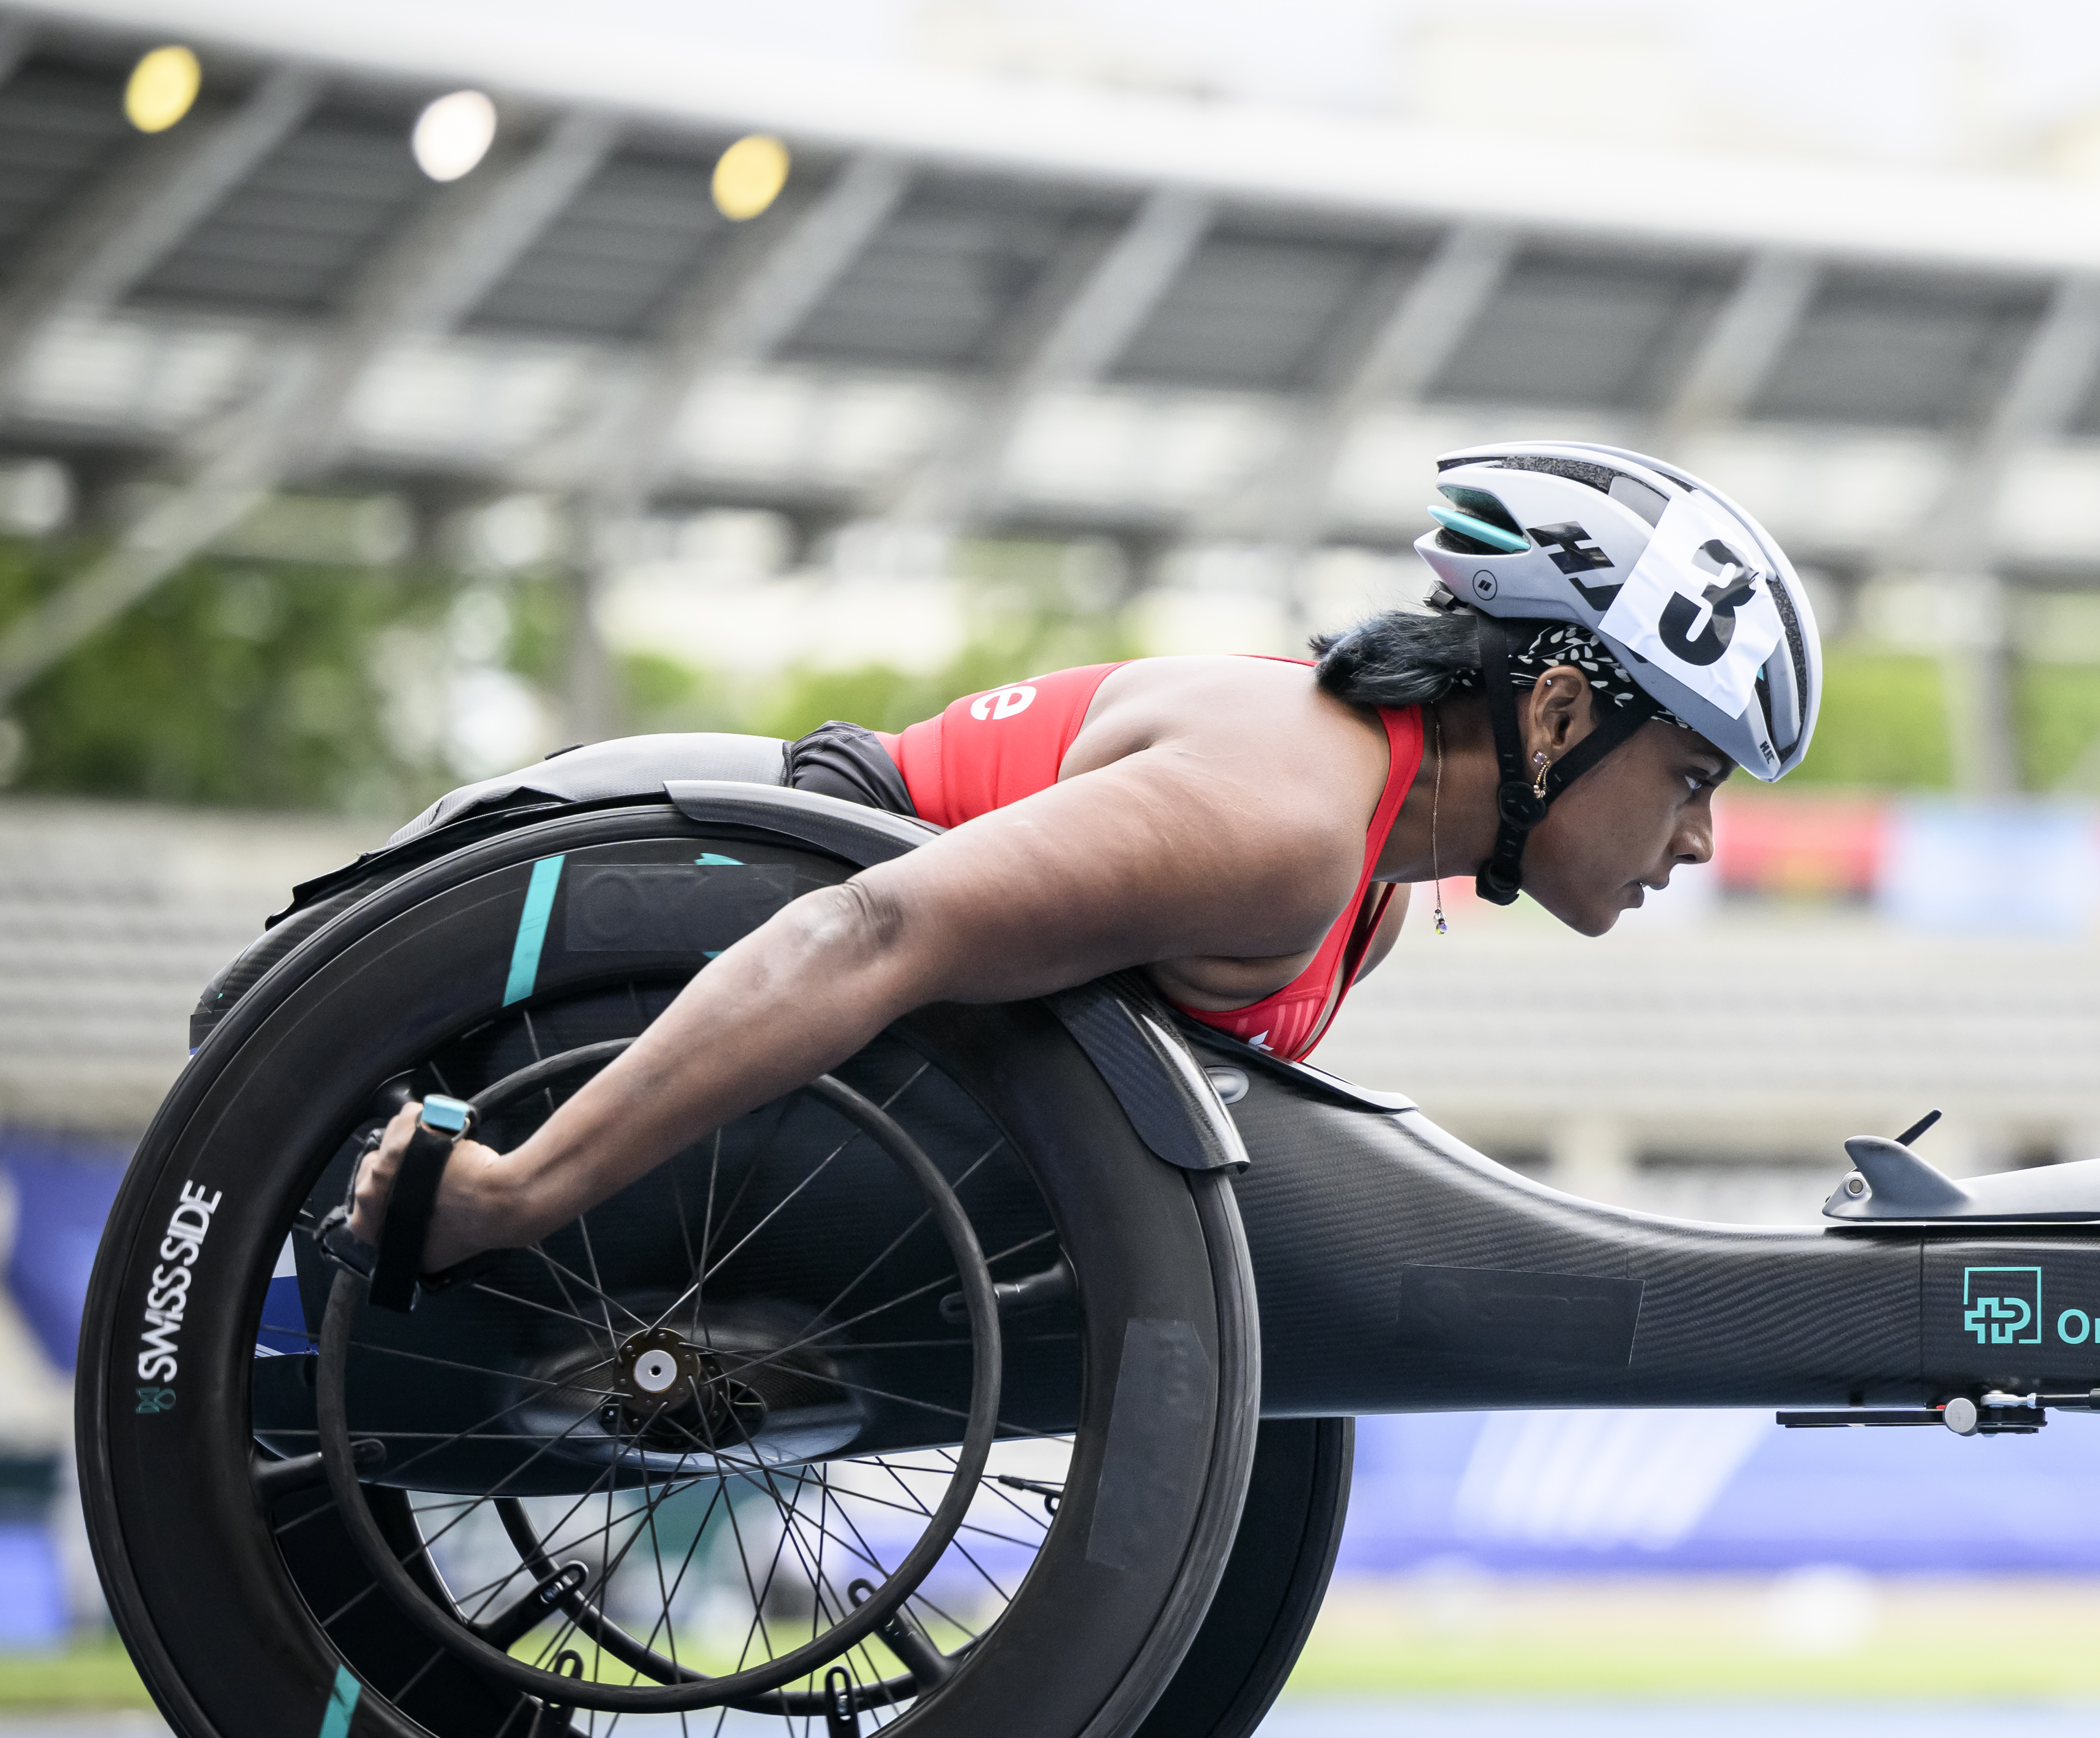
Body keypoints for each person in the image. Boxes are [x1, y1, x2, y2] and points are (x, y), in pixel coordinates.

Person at [342, 440, 1819, 1269]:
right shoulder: (1290, 824)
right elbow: (866, 935)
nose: (1699, 841)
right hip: (717, 880)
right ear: (1559, 709)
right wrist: (523, 1191)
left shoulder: (1369, 875)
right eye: (1691, 777)